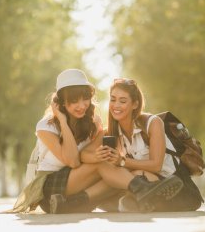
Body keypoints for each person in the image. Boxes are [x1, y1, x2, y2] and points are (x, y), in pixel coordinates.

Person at [10, 69, 183, 214]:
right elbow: (72, 160)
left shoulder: (92, 123)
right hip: (50, 188)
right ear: (61, 102)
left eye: (85, 99)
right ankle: (142, 188)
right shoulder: (46, 126)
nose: (81, 105)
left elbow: (87, 156)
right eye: (73, 101)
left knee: (110, 168)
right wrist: (62, 122)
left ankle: (72, 204)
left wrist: (101, 155)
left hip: (75, 187)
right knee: (106, 165)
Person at [106, 78, 204, 212]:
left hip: (178, 189)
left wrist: (122, 161)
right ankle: (128, 201)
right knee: (112, 177)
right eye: (113, 99)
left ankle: (130, 201)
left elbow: (156, 165)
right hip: (146, 185)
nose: (116, 105)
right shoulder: (112, 133)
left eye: (122, 101)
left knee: (135, 174)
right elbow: (87, 155)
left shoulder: (153, 123)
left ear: (135, 104)